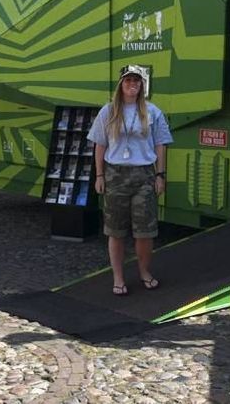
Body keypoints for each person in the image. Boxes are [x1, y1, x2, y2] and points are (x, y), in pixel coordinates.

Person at [88, 64, 174, 296]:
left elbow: (161, 144)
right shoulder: (108, 111)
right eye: (128, 81)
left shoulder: (153, 111)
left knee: (144, 231)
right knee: (115, 230)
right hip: (115, 173)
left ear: (142, 86)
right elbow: (100, 144)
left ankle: (144, 271)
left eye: (136, 81)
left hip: (144, 174)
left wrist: (160, 175)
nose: (132, 84)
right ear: (121, 85)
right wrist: (99, 175)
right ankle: (118, 277)